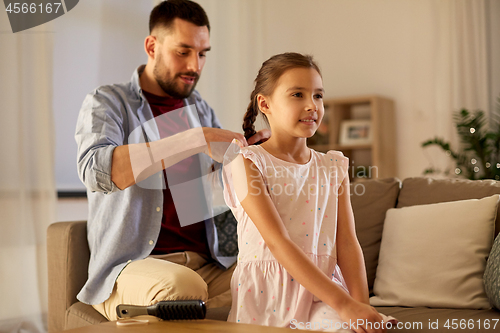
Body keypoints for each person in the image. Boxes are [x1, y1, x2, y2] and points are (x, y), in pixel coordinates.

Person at [75, 0, 269, 321]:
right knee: (181, 289)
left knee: (278, 277)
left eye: (203, 53)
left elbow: (215, 197)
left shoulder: (200, 109)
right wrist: (194, 138)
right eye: (183, 51)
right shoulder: (108, 101)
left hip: (207, 264)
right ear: (152, 46)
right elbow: (100, 172)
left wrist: (252, 156)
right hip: (134, 267)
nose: (195, 65)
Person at [221, 53, 396, 332]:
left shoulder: (332, 166)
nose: (311, 105)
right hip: (268, 297)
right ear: (265, 104)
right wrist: (344, 305)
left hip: (323, 292)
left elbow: (348, 243)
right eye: (297, 94)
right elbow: (278, 242)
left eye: (318, 96)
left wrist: (362, 308)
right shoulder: (246, 162)